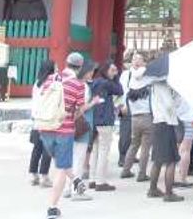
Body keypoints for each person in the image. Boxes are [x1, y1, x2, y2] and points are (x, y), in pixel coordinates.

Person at [38, 52, 91, 219]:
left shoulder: (50, 79)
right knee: (61, 167)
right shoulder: (79, 84)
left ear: (66, 63)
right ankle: (52, 207)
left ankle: (75, 179)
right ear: (80, 67)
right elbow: (80, 110)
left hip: (45, 127)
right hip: (64, 129)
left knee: (61, 161)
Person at [64, 59, 100, 201]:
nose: (92, 74)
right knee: (79, 159)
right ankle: (76, 191)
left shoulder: (71, 83)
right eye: (91, 71)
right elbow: (81, 107)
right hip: (81, 125)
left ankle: (68, 188)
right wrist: (94, 102)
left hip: (71, 125)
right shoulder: (83, 86)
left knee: (72, 159)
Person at [88, 60, 123, 192]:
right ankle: (100, 181)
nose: (115, 73)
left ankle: (92, 179)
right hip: (105, 119)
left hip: (95, 118)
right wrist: (116, 78)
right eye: (112, 70)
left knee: (95, 150)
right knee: (104, 150)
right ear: (106, 70)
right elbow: (120, 90)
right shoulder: (107, 83)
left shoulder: (95, 82)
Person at [147, 80, 185, 202]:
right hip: (166, 123)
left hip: (158, 122)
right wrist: (176, 97)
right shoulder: (163, 85)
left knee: (158, 159)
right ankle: (168, 193)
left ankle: (153, 189)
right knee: (171, 160)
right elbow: (169, 105)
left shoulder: (154, 84)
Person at [120, 53, 154, 181]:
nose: (136, 61)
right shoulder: (147, 80)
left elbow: (123, 94)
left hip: (134, 117)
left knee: (134, 144)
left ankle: (125, 170)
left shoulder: (128, 78)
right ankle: (141, 174)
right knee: (145, 147)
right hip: (147, 117)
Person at [29, 59, 56, 187]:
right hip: (48, 118)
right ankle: (44, 175)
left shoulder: (37, 84)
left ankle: (33, 174)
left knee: (37, 148)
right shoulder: (52, 84)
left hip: (36, 118)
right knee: (47, 148)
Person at [175, 99, 193, 189]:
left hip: (176, 119)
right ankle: (182, 179)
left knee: (179, 149)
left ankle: (178, 176)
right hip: (188, 119)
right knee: (186, 150)